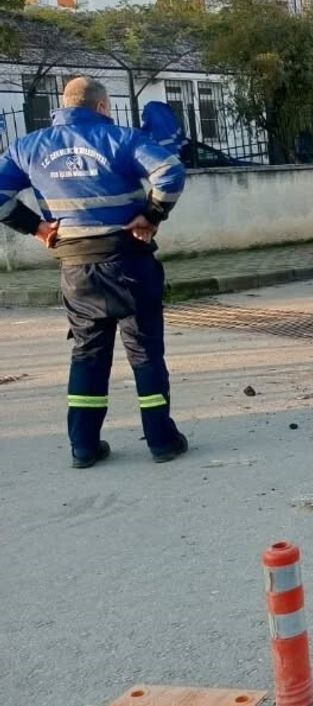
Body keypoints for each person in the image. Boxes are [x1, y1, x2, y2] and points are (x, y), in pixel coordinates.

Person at [0, 77, 189, 468]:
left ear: (64, 105)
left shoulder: (27, 146)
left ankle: (84, 446)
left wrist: (36, 227)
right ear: (102, 106)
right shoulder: (122, 139)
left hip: (76, 268)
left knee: (87, 352)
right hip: (129, 260)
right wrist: (151, 215)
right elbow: (170, 171)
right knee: (145, 353)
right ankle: (162, 442)